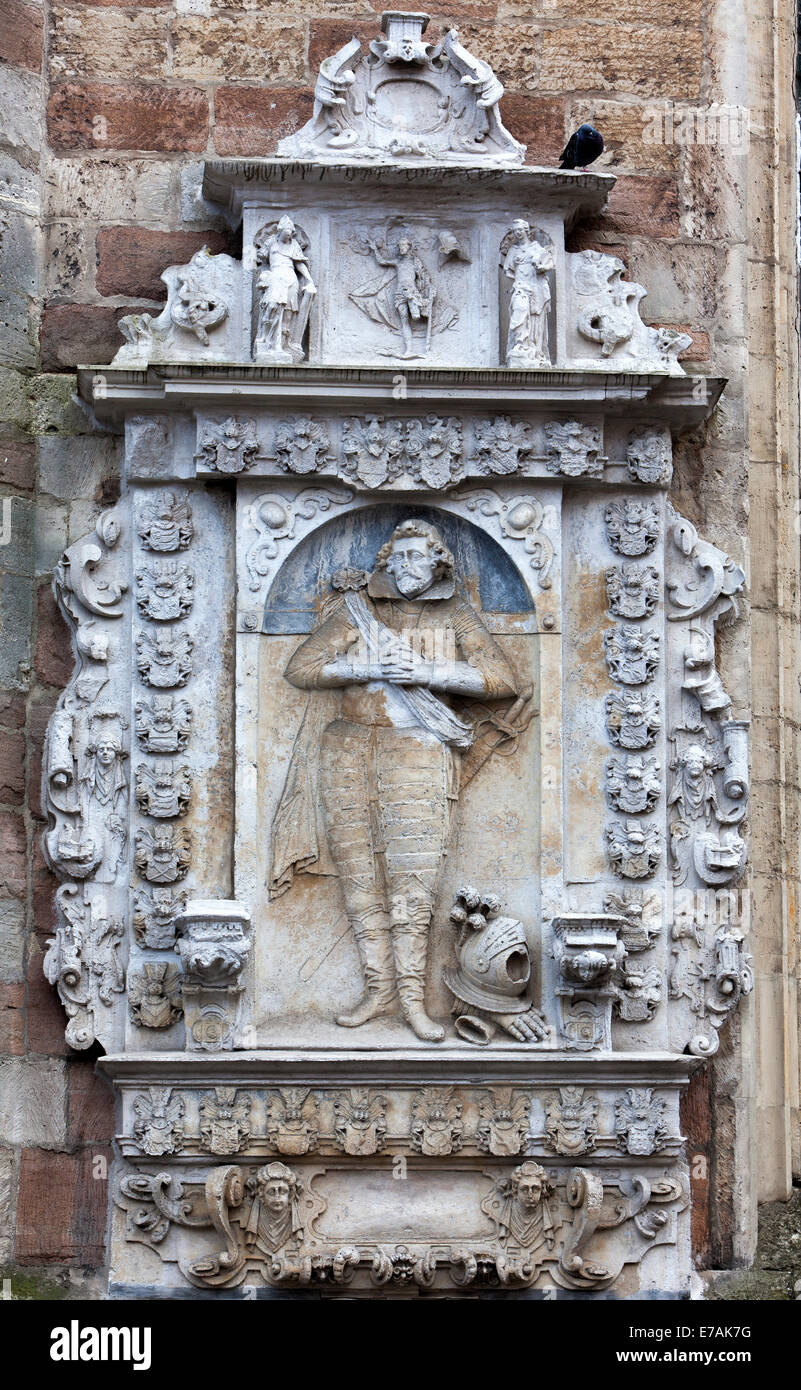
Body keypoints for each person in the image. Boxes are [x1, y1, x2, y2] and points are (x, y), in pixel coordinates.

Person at [271, 519, 518, 1042]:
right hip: (348, 748)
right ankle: (378, 990)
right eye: (398, 558)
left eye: (417, 558)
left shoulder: (455, 616)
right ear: (386, 565)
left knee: (413, 880)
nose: (407, 567)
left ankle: (410, 997)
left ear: (438, 565)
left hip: (418, 749)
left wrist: (429, 674)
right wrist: (363, 667)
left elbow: (502, 681)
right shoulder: (360, 613)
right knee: (360, 875)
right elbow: (302, 667)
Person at [255, 215, 316, 359]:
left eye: (290, 234)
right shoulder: (271, 242)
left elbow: (299, 264)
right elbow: (261, 258)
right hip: (276, 277)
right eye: (285, 233)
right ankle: (266, 340)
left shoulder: (294, 245)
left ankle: (283, 345)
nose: (288, 237)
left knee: (288, 312)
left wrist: (309, 280)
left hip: (290, 278)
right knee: (272, 307)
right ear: (280, 231)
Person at [503, 220, 554, 366]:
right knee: (520, 311)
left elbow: (549, 263)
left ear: (526, 231)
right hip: (520, 286)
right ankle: (520, 343)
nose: (517, 233)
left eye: (520, 230)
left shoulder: (537, 248)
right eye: (515, 231)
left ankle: (535, 350)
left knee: (535, 317)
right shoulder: (513, 250)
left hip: (536, 286)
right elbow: (509, 271)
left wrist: (541, 267)